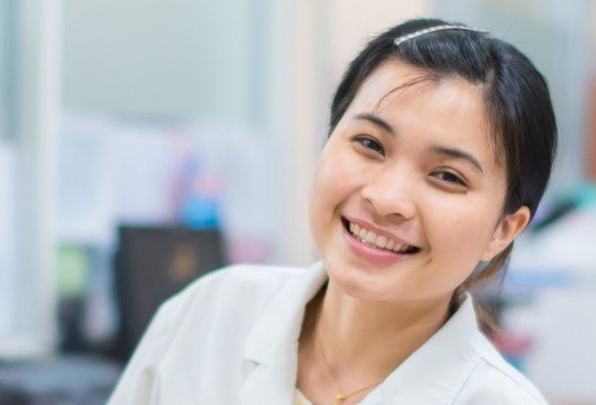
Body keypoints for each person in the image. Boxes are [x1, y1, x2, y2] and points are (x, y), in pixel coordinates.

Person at [107, 18, 557, 405]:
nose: (386, 199)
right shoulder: (208, 314)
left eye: (447, 176)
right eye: (370, 144)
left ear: (504, 229)